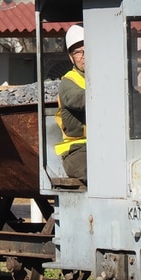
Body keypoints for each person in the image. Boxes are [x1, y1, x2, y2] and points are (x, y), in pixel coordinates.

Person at [54, 24, 87, 183]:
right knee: (94, 170)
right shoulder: (68, 82)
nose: (83, 55)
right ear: (71, 57)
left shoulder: (104, 76)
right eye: (78, 52)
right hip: (77, 151)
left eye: (87, 49)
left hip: (105, 145)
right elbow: (79, 100)